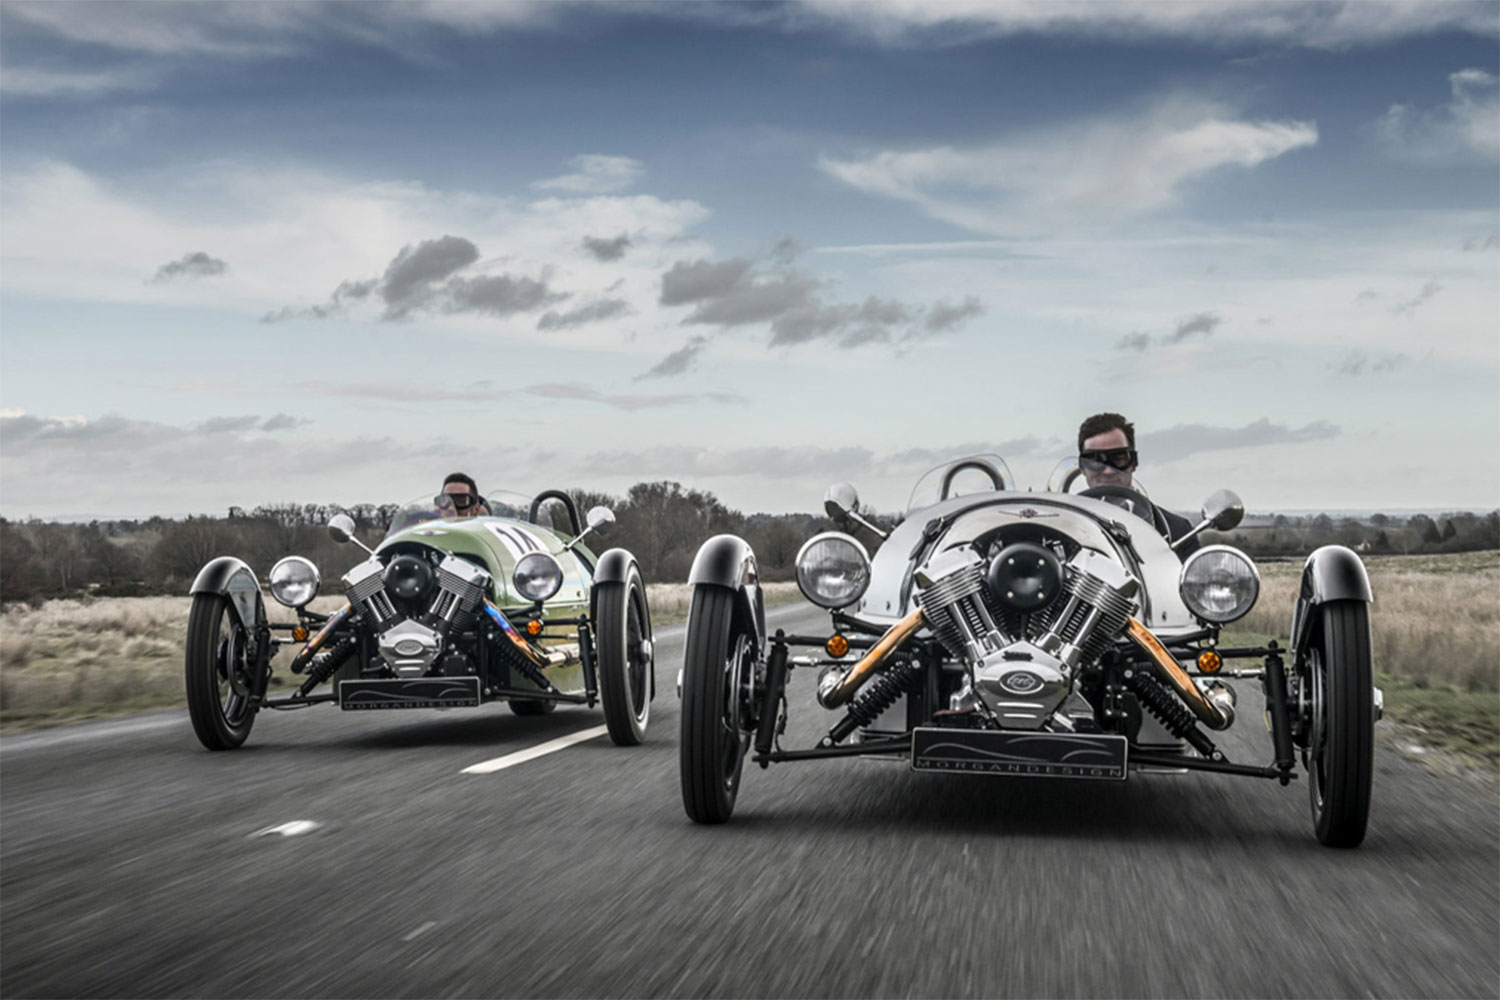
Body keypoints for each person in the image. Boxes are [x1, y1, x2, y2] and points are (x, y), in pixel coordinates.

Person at [1076, 412, 1200, 555]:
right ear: (1082, 467)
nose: (1108, 471)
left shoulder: (1176, 531)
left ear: (1134, 462)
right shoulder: (1060, 529)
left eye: (1119, 458)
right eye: (1095, 461)